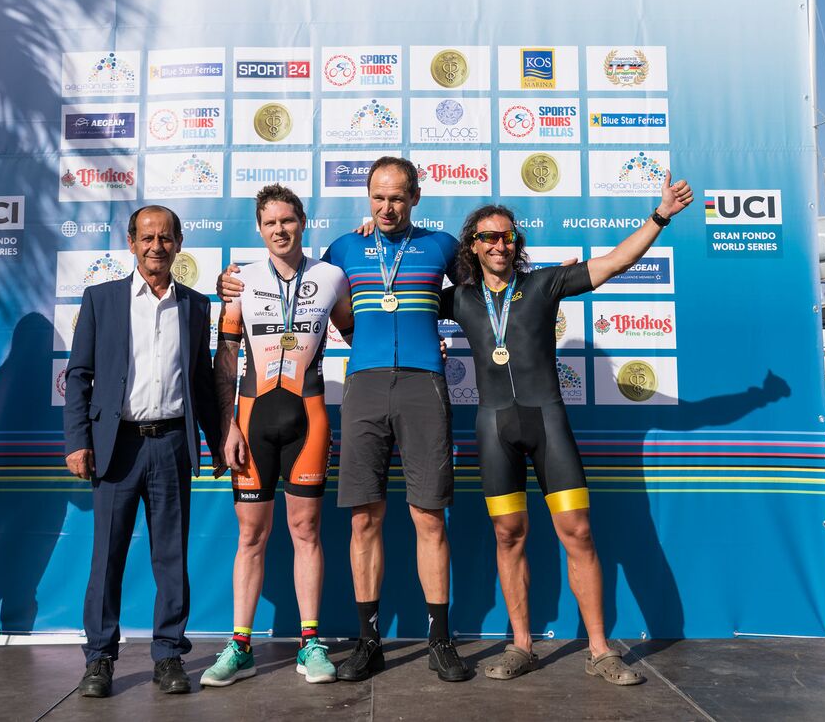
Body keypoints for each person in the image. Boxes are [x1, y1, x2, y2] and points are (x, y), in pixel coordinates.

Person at [221, 157, 470, 682]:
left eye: (397, 197)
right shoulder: (342, 252)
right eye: (378, 197)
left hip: (424, 383)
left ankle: (440, 640)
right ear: (367, 197)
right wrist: (227, 284)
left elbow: (485, 291)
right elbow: (307, 291)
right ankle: (368, 640)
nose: (387, 207)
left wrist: (455, 329)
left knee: (429, 518)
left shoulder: (442, 245)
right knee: (363, 519)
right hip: (364, 386)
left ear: (415, 197)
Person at [440, 173, 693, 685]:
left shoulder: (544, 284)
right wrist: (371, 234)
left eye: (507, 236)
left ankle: (599, 650)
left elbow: (617, 261)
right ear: (473, 245)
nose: (499, 244)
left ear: (516, 243)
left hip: (548, 422)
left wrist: (661, 215)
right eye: (488, 237)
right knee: (508, 534)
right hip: (493, 428)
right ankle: (521, 646)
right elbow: (392, 304)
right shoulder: (457, 298)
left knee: (578, 531)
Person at [65, 205, 222, 700]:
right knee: (107, 557)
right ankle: (99, 658)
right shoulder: (101, 299)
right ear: (131, 243)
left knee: (171, 556)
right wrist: (78, 441)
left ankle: (169, 654)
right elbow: (79, 375)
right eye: (147, 238)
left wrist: (217, 440)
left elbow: (201, 380)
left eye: (166, 237)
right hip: (117, 446)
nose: (157, 246)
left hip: (172, 443)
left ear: (179, 244)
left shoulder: (196, 305)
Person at [201, 185, 353, 688]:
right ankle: (240, 646)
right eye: (270, 223)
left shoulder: (331, 276)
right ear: (259, 229)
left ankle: (310, 643)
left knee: (306, 531)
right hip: (251, 421)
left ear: (303, 221)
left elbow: (359, 334)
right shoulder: (240, 281)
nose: (280, 230)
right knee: (251, 535)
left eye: (287, 220)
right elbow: (225, 359)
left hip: (309, 420)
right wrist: (226, 425)